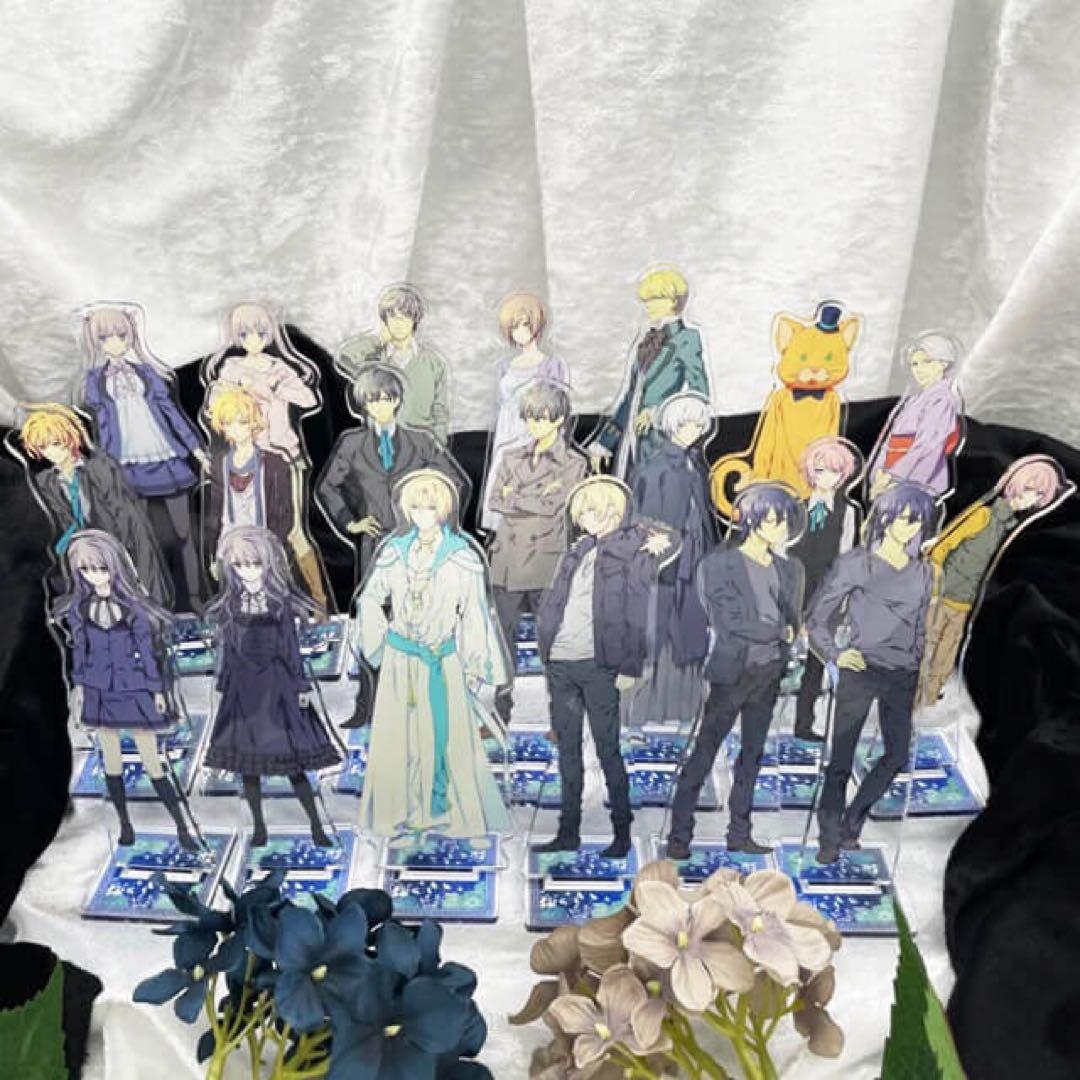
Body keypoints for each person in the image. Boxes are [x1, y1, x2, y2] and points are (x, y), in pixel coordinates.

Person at [354, 470, 511, 840]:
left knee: (447, 738)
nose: (423, 514)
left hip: (442, 660)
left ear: (444, 510)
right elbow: (370, 598)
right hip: (400, 660)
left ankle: (447, 813)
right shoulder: (394, 552)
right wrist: (381, 642)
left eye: (430, 507)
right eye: (416, 507)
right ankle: (401, 812)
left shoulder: (462, 557)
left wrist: (476, 663)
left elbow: (474, 613)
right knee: (399, 737)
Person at [534, 476, 677, 858]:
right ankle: (568, 832)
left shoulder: (633, 551)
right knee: (567, 751)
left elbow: (638, 609)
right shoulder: (578, 550)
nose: (587, 520)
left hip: (599, 663)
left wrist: (630, 665)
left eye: (595, 511)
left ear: (615, 511)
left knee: (608, 750)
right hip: (561, 661)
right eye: (583, 513)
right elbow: (557, 598)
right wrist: (546, 641)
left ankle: (621, 833)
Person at [666, 483, 805, 859]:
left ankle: (740, 833)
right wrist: (778, 631)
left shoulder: (789, 568)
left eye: (783, 522)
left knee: (752, 756)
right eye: (771, 521)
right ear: (751, 521)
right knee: (704, 753)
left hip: (769, 672)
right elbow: (728, 620)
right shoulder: (719, 564)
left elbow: (793, 618)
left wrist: (789, 638)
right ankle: (679, 837)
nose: (779, 529)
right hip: (733, 674)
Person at [806, 482, 938, 864]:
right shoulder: (856, 564)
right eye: (902, 519)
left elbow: (920, 627)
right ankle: (828, 837)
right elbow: (816, 618)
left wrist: (922, 670)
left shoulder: (924, 573)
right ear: (884, 519)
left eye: (917, 522)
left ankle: (852, 822)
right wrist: (835, 654)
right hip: (861, 670)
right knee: (840, 760)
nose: (909, 528)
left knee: (896, 755)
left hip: (903, 675)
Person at [55, 530, 196, 850]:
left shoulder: (134, 609)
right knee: (112, 764)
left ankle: (182, 827)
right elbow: (80, 652)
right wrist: (80, 688)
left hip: (133, 688)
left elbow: (146, 652)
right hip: (100, 691)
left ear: (114, 566)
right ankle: (125, 825)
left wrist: (156, 691)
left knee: (153, 763)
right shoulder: (79, 609)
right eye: (85, 570)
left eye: (100, 568)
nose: (94, 576)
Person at [204, 527, 341, 848]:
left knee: (292, 764)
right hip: (243, 688)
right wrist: (224, 684)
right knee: (248, 766)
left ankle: (316, 826)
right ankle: (259, 827)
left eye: (254, 564)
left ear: (267, 564)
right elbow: (228, 648)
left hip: (277, 686)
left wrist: (301, 686)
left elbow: (290, 647)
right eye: (240, 565)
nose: (248, 571)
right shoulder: (230, 605)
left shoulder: (280, 603)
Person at [77, 303, 207, 611]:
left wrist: (197, 450)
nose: (114, 343)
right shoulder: (94, 381)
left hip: (165, 458)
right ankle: (156, 602)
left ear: (131, 335)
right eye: (105, 338)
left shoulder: (148, 373)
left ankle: (196, 596)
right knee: (146, 538)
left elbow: (171, 412)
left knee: (185, 533)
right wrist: (103, 467)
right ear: (95, 342)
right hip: (126, 466)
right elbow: (100, 426)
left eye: (120, 335)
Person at [918, 455, 1069, 708]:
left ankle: (928, 698)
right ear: (1013, 483)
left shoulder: (1009, 529)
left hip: (965, 602)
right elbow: (943, 546)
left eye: (1038, 495)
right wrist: (930, 584)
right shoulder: (983, 515)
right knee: (926, 644)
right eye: (1028, 489)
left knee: (946, 651)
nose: (1029, 498)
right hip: (942, 592)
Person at [203, 303, 328, 608]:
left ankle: (320, 601)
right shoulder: (232, 369)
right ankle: (257, 601)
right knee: (249, 532)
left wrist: (273, 387)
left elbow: (309, 399)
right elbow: (214, 406)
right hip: (246, 459)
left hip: (284, 456)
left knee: (294, 532)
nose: (253, 340)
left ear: (270, 334)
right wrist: (240, 388)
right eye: (245, 334)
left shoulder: (279, 368)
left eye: (260, 333)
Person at [486, 380, 588, 725]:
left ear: (558, 419)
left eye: (541, 417)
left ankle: (561, 717)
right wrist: (533, 496)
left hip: (545, 562)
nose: (534, 424)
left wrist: (516, 496)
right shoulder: (511, 455)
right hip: (506, 561)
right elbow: (495, 500)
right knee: (502, 643)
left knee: (552, 644)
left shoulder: (573, 462)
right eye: (530, 417)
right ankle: (501, 712)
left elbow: (553, 506)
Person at [19, 404, 171, 605]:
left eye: (56, 443)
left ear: (71, 437)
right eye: (43, 447)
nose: (52, 452)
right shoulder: (46, 481)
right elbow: (58, 520)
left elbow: (121, 511)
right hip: (80, 548)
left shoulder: (99, 467)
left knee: (134, 594)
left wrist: (118, 547)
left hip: (118, 538)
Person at [628, 391, 718, 726]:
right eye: (686, 424)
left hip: (695, 561)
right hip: (664, 567)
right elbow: (642, 520)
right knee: (657, 635)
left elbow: (704, 516)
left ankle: (685, 710)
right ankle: (641, 714)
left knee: (690, 632)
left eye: (698, 425)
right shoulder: (653, 469)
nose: (692, 431)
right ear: (671, 426)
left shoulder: (696, 466)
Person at [589, 267, 708, 478]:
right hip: (634, 444)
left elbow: (700, 395)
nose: (648, 306)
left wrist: (657, 414)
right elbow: (631, 398)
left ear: (673, 301)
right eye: (646, 300)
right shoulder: (646, 342)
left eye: (655, 299)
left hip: (668, 445)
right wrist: (604, 443)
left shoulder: (687, 339)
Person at [204, 387, 312, 592]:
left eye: (242, 422)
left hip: (265, 545)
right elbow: (215, 514)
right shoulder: (220, 464)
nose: (236, 429)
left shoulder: (274, 463)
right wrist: (214, 555)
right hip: (230, 546)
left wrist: (272, 548)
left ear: (254, 423)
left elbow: (285, 515)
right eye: (228, 423)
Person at [790, 437, 862, 741]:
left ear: (843, 475)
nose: (826, 478)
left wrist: (842, 597)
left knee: (817, 661)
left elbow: (846, 555)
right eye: (820, 470)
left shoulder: (848, 512)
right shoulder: (798, 508)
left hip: (826, 593)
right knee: (779, 654)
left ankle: (803, 724)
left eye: (834, 472)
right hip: (796, 588)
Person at [480, 291, 569, 533]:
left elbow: (559, 407)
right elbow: (500, 404)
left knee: (529, 477)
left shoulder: (552, 365)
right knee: (503, 476)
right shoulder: (504, 367)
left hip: (534, 431)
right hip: (506, 432)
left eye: (525, 325)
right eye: (514, 327)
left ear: (537, 325)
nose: (520, 332)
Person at [337, 284, 450, 443]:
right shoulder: (374, 360)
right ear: (385, 320)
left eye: (405, 316)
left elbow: (440, 413)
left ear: (415, 319)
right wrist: (378, 339)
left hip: (421, 444)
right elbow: (343, 357)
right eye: (392, 316)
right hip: (380, 443)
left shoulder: (434, 363)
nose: (398, 322)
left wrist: (438, 444)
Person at [867, 330, 964, 501]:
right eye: (914, 364)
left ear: (944, 363)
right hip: (889, 472)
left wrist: (893, 476)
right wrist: (878, 473)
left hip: (918, 476)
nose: (919, 370)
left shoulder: (942, 400)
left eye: (927, 362)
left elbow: (928, 445)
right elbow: (888, 441)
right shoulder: (913, 399)